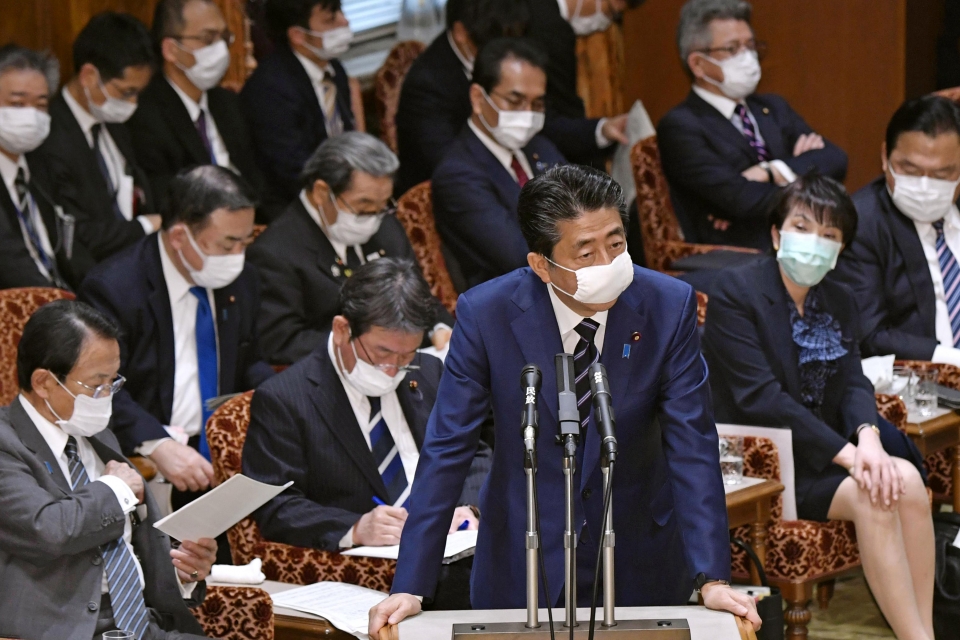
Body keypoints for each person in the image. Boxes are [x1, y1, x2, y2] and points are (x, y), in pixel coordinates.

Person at [369, 165, 760, 632]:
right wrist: (410, 583)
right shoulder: (486, 313)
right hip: (525, 552)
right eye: (585, 252)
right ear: (541, 264)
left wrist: (712, 577)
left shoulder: (668, 305)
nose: (608, 264)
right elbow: (447, 448)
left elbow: (692, 445)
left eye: (616, 244)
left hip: (638, 549)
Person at [703, 175, 935, 640]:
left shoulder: (839, 298)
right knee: (878, 493)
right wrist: (851, 456)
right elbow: (761, 397)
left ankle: (923, 628)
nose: (814, 243)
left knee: (906, 481)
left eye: (829, 235)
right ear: (776, 233)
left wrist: (868, 437)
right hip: (771, 458)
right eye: (803, 226)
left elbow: (852, 379)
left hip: (832, 450)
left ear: (841, 247)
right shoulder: (734, 293)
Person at [244, 258, 490, 609]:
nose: (394, 369)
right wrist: (356, 527)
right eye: (382, 353)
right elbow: (276, 506)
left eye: (407, 355)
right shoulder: (285, 398)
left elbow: (474, 451)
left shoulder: (428, 370)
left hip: (454, 546)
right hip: (369, 570)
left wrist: (469, 507)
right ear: (343, 330)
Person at [0, 300, 217, 640]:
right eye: (95, 384)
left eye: (112, 382)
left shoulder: (97, 436)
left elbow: (132, 548)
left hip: (140, 626)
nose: (105, 397)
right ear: (43, 382)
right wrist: (115, 489)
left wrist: (182, 571)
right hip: (62, 630)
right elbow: (49, 530)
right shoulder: (6, 443)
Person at [78, 165, 274, 534]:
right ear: (180, 236)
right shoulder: (115, 288)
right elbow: (98, 388)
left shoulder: (240, 278)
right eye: (227, 244)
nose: (238, 255)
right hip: (150, 454)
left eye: (245, 241)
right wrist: (157, 443)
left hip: (220, 448)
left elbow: (250, 359)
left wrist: (278, 402)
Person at [248, 132, 453, 365]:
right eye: (363, 207)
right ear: (321, 193)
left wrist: (438, 328)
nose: (375, 218)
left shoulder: (385, 226)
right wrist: (363, 348)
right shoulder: (275, 253)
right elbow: (282, 341)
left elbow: (418, 295)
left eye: (382, 205)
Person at [657, 0, 847, 250]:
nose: (747, 57)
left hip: (797, 241)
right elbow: (743, 200)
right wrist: (803, 176)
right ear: (698, 64)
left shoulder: (772, 107)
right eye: (732, 49)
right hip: (738, 252)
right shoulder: (681, 125)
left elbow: (834, 158)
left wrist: (772, 171)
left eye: (750, 46)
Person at [832, 96, 960, 365]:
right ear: (884, 156)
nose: (925, 186)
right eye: (909, 170)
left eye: (941, 175)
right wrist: (951, 359)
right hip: (920, 384)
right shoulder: (860, 223)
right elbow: (869, 334)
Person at [432, 38, 566, 289]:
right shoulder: (458, 175)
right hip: (515, 302)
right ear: (478, 98)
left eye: (536, 103)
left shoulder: (539, 147)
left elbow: (583, 204)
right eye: (515, 101)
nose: (527, 113)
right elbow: (518, 256)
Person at [127, 0, 268, 219]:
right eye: (208, 39)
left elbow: (257, 181)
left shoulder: (227, 103)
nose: (220, 48)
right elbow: (169, 201)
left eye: (224, 38)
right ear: (171, 50)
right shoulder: (146, 116)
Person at [41, 12, 161, 264]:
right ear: (89, 77)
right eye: (127, 92)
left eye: (138, 93)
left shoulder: (116, 124)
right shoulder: (49, 137)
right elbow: (77, 233)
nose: (133, 103)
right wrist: (146, 226)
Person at [394, 0, 529, 196]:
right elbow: (450, 165)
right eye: (494, 45)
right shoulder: (426, 86)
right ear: (461, 33)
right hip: (455, 194)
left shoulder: (514, 54)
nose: (506, 55)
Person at [241, 0, 360, 213]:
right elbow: (293, 170)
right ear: (298, 35)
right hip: (295, 206)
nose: (345, 21)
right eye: (330, 19)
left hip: (342, 192)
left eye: (341, 12)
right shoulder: (270, 89)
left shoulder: (334, 70)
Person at [0, 45, 94, 291]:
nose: (31, 116)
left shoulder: (43, 164)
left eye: (41, 105)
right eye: (18, 104)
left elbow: (73, 247)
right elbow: (10, 265)